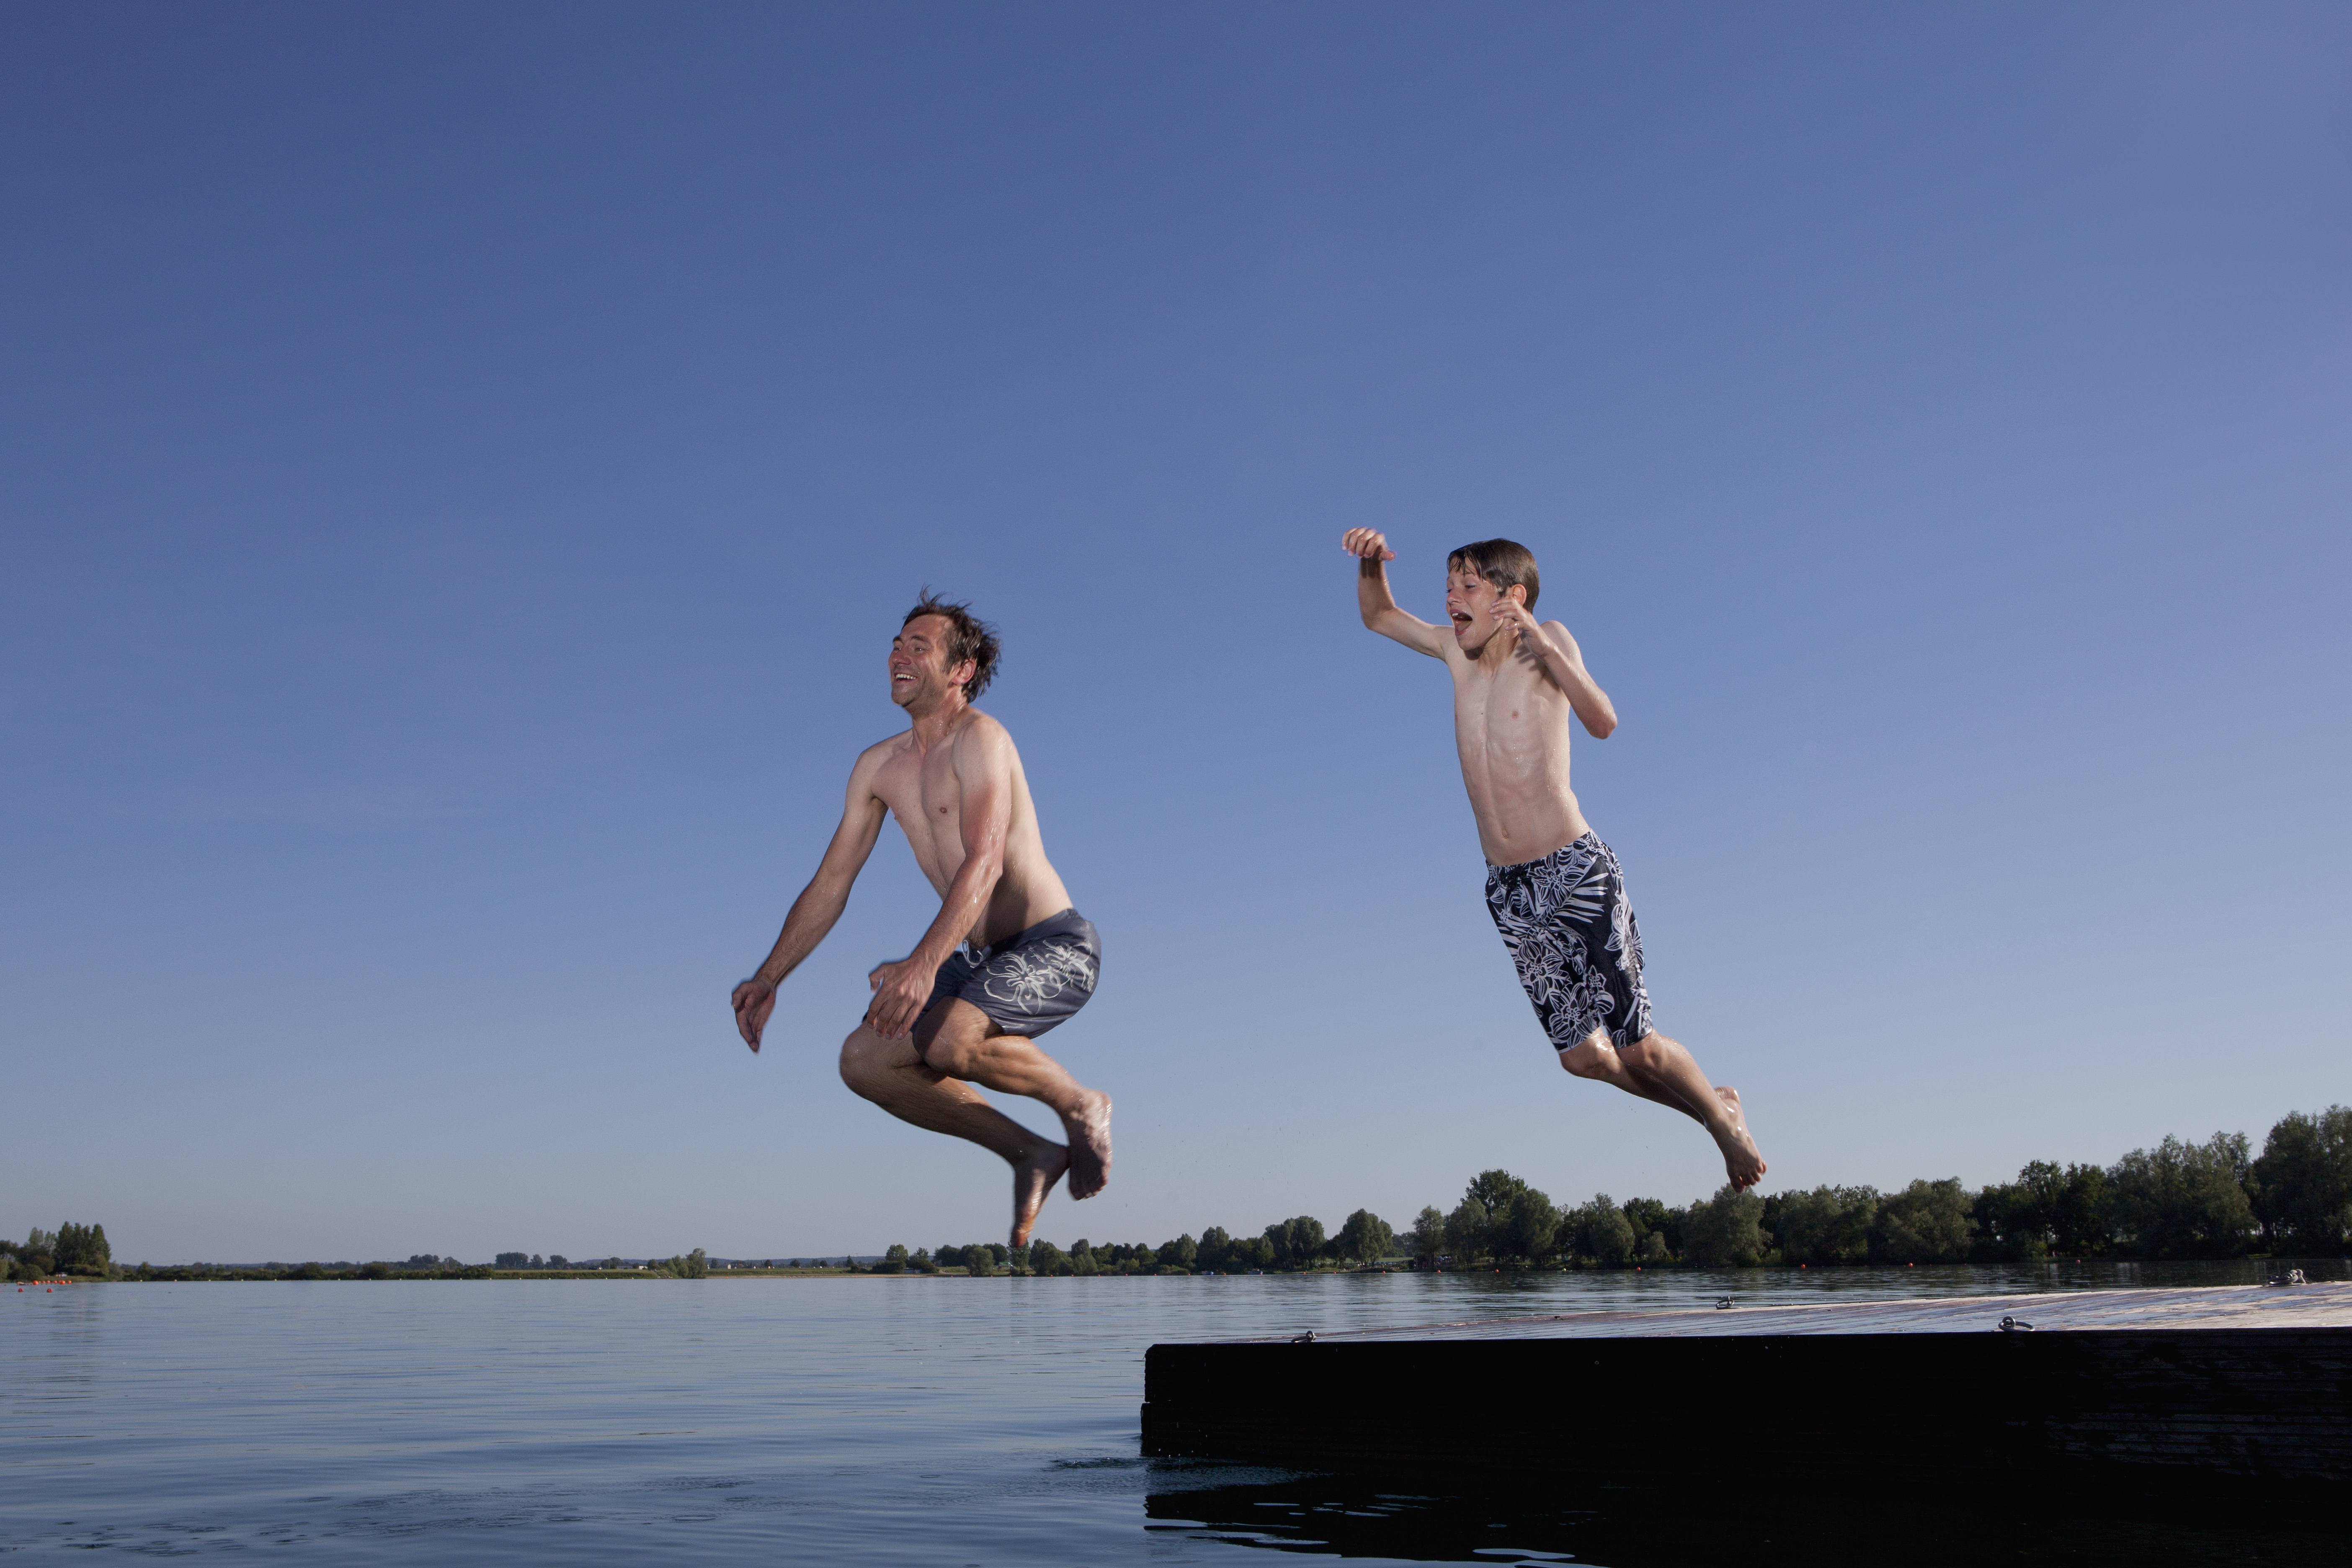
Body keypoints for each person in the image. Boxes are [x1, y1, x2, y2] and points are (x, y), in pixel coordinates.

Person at [1340, 530, 1766, 1189]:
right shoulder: (1455, 652)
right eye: (1449, 586)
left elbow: (1603, 722)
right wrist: (1371, 561)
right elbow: (1376, 616)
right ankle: (1715, 1109)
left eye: (1468, 586)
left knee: (1640, 1047)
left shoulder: (1549, 643)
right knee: (1584, 1060)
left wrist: (1546, 647)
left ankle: (1721, 1124)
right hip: (1510, 891)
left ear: (1513, 598)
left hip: (1575, 873)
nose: (1452, 597)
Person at [732, 593, 1114, 1245]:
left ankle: (1081, 1103)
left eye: (920, 647)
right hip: (976, 959)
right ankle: (1032, 1153)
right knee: (864, 1062)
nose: (898, 656)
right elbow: (832, 882)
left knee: (946, 1042)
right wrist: (770, 976)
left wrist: (922, 963)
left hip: (1055, 947)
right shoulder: (877, 768)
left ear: (961, 671)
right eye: (896, 644)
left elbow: (985, 862)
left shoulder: (982, 740)